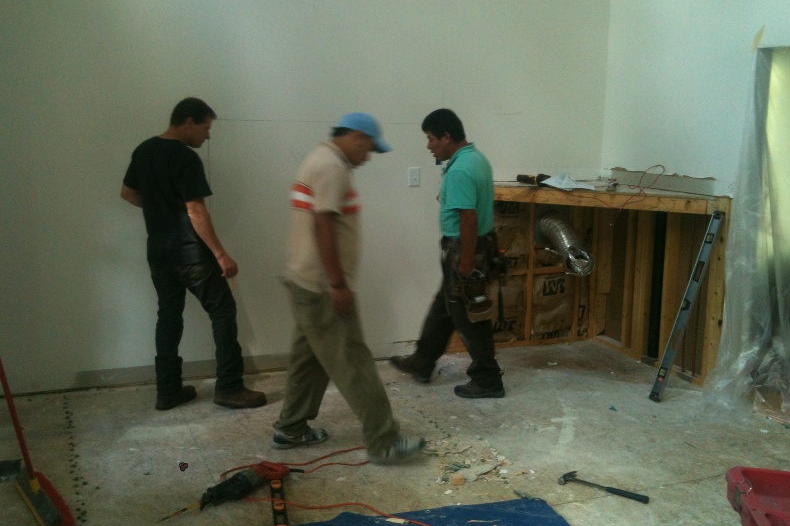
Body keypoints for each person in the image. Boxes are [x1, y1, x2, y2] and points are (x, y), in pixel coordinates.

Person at [274, 112, 424, 464]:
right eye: (369, 148)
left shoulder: (319, 158)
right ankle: (384, 441)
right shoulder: (332, 167)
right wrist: (338, 284)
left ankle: (291, 428)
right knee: (354, 363)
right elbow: (323, 225)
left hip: (304, 282)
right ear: (357, 136)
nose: (368, 157)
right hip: (323, 287)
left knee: (309, 361)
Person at [121, 97, 266, 411]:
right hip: (191, 254)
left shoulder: (144, 150)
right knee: (223, 311)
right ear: (188, 122)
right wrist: (220, 254)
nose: (207, 136)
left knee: (168, 317)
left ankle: (168, 391)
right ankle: (229, 387)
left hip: (159, 252)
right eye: (205, 128)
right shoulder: (185, 158)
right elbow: (196, 211)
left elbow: (128, 192)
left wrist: (159, 210)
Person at [390, 108, 505, 398]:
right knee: (444, 307)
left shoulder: (461, 170)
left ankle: (487, 379)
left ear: (446, 136)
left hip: (464, 250)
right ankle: (422, 361)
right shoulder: (476, 158)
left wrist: (465, 264)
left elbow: (468, 219)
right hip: (473, 247)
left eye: (431, 139)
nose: (429, 146)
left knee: (468, 315)